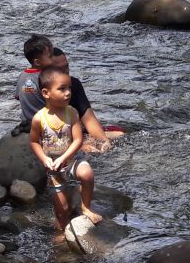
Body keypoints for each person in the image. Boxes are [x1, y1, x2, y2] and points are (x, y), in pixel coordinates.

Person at [29, 66, 102, 231]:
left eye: (69, 88)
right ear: (46, 93)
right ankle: (62, 230)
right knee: (62, 211)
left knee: (87, 174)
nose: (68, 92)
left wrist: (64, 158)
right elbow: (34, 142)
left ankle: (85, 207)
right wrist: (45, 159)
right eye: (62, 89)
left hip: (71, 161)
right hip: (53, 168)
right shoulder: (39, 118)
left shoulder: (72, 113)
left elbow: (78, 139)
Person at [14, 35, 116, 150]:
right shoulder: (44, 81)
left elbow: (19, 97)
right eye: (51, 57)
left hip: (28, 125)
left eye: (66, 67)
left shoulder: (23, 76)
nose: (65, 74)